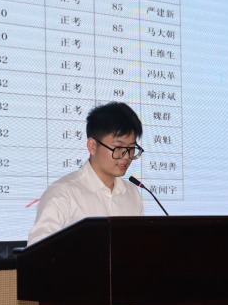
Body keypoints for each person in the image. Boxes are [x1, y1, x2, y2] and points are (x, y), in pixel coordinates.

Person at [27, 102, 144, 245]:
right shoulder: (62, 193)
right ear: (92, 146)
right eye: (118, 147)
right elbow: (38, 250)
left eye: (131, 148)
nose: (126, 156)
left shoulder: (132, 193)